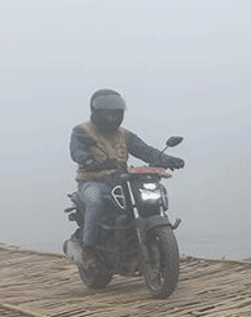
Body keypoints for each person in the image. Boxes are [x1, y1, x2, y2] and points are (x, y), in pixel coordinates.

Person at [69, 89, 184, 257]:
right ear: (97, 113)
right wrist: (86, 159)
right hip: (91, 183)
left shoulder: (124, 134)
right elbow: (76, 151)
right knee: (96, 203)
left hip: (121, 180)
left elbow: (145, 150)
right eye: (108, 114)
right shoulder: (82, 131)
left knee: (147, 200)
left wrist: (167, 159)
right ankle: (88, 249)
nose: (112, 118)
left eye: (115, 114)